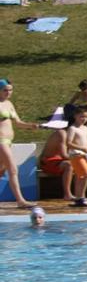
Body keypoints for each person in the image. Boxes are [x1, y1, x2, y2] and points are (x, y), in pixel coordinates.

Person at [0, 78, 42, 207]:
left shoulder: (9, 104)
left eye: (10, 90)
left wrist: (32, 126)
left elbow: (18, 123)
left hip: (8, 142)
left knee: (1, 171)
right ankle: (20, 201)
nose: (9, 92)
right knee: (12, 169)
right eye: (5, 90)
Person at [39, 127, 73, 200]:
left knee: (81, 164)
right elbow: (64, 155)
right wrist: (79, 158)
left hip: (59, 161)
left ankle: (80, 194)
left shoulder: (74, 133)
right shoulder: (62, 133)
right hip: (48, 162)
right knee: (69, 165)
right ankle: (67, 194)